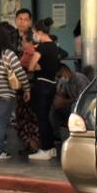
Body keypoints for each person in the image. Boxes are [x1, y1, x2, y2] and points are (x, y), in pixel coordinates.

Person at [0, 24, 31, 161]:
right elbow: (20, 72)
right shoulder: (7, 53)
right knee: (0, 122)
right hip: (5, 93)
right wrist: (27, 88)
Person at [28, 18, 62, 161]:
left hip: (41, 85)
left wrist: (36, 67)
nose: (34, 35)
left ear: (40, 32)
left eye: (35, 32)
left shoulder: (41, 47)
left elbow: (30, 66)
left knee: (41, 118)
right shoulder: (54, 46)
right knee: (46, 117)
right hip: (52, 84)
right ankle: (51, 148)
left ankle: (45, 149)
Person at [52, 63, 90, 145]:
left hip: (84, 105)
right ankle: (59, 134)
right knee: (55, 109)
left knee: (73, 107)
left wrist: (64, 102)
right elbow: (62, 94)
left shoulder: (79, 79)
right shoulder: (67, 82)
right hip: (74, 103)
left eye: (60, 76)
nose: (60, 79)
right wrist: (59, 94)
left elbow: (81, 99)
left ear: (65, 71)